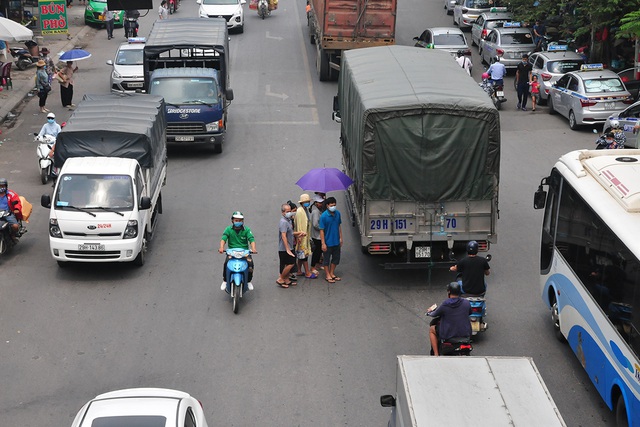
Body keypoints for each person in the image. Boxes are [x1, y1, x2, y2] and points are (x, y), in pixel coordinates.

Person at [426, 282, 472, 356]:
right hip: (466, 335)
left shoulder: (446, 304)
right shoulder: (466, 302)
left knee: (432, 329)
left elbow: (434, 314)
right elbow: (470, 312)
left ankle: (436, 354)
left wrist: (429, 312)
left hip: (449, 335)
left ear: (449, 292)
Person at [218, 211, 257, 292]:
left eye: (240, 220)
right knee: (226, 264)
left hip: (244, 252)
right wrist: (221, 247)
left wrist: (253, 248)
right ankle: (225, 280)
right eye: (236, 220)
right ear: (232, 221)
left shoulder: (246, 230)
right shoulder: (228, 229)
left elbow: (251, 239)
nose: (238, 222)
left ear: (242, 221)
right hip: (232, 252)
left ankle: (249, 281)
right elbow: (224, 239)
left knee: (250, 264)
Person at [277, 203, 305, 288]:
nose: (290, 213)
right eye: (287, 211)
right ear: (283, 212)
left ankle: (286, 280)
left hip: (290, 246)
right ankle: (281, 278)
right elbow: (284, 236)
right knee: (291, 263)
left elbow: (290, 233)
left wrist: (298, 234)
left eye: (290, 211)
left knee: (288, 263)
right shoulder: (283, 222)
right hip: (285, 248)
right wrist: (287, 248)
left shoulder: (288, 220)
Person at [319, 196, 343, 283]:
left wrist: (341, 238)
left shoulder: (338, 214)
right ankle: (327, 275)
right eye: (332, 205)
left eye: (334, 205)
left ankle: (332, 273)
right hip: (328, 242)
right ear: (327, 206)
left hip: (336, 241)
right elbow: (321, 230)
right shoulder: (324, 217)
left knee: (336, 259)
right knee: (326, 260)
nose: (333, 207)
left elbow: (339, 226)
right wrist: (323, 243)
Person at [294, 194, 318, 279]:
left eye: (308, 201)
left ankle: (299, 270)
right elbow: (299, 225)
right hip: (302, 236)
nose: (307, 203)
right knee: (304, 255)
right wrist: (299, 237)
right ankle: (307, 272)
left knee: (301, 255)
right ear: (302, 202)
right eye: (306, 202)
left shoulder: (305, 210)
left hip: (305, 236)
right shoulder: (300, 211)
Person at [0, 178, 23, 243]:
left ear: (6, 186)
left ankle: (13, 235)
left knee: (15, 226)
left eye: (2, 186)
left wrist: (16, 209)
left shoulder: (11, 194)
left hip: (8, 213)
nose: (1, 188)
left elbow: (17, 202)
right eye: (0, 186)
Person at [309, 194, 325, 274]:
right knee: (317, 252)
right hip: (317, 235)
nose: (321, 204)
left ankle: (317, 265)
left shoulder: (318, 210)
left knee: (319, 251)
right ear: (315, 203)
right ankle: (312, 267)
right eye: (319, 203)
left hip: (318, 235)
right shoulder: (315, 211)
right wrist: (322, 228)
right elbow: (315, 224)